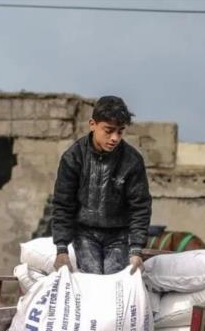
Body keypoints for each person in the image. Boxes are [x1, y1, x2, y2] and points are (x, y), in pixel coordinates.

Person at [52, 96, 152, 275]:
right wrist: (61, 249)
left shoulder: (132, 161)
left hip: (119, 235)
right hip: (84, 234)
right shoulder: (73, 158)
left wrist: (136, 249)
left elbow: (140, 207)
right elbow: (63, 204)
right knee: (93, 280)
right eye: (109, 130)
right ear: (92, 124)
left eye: (120, 132)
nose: (114, 138)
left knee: (114, 282)